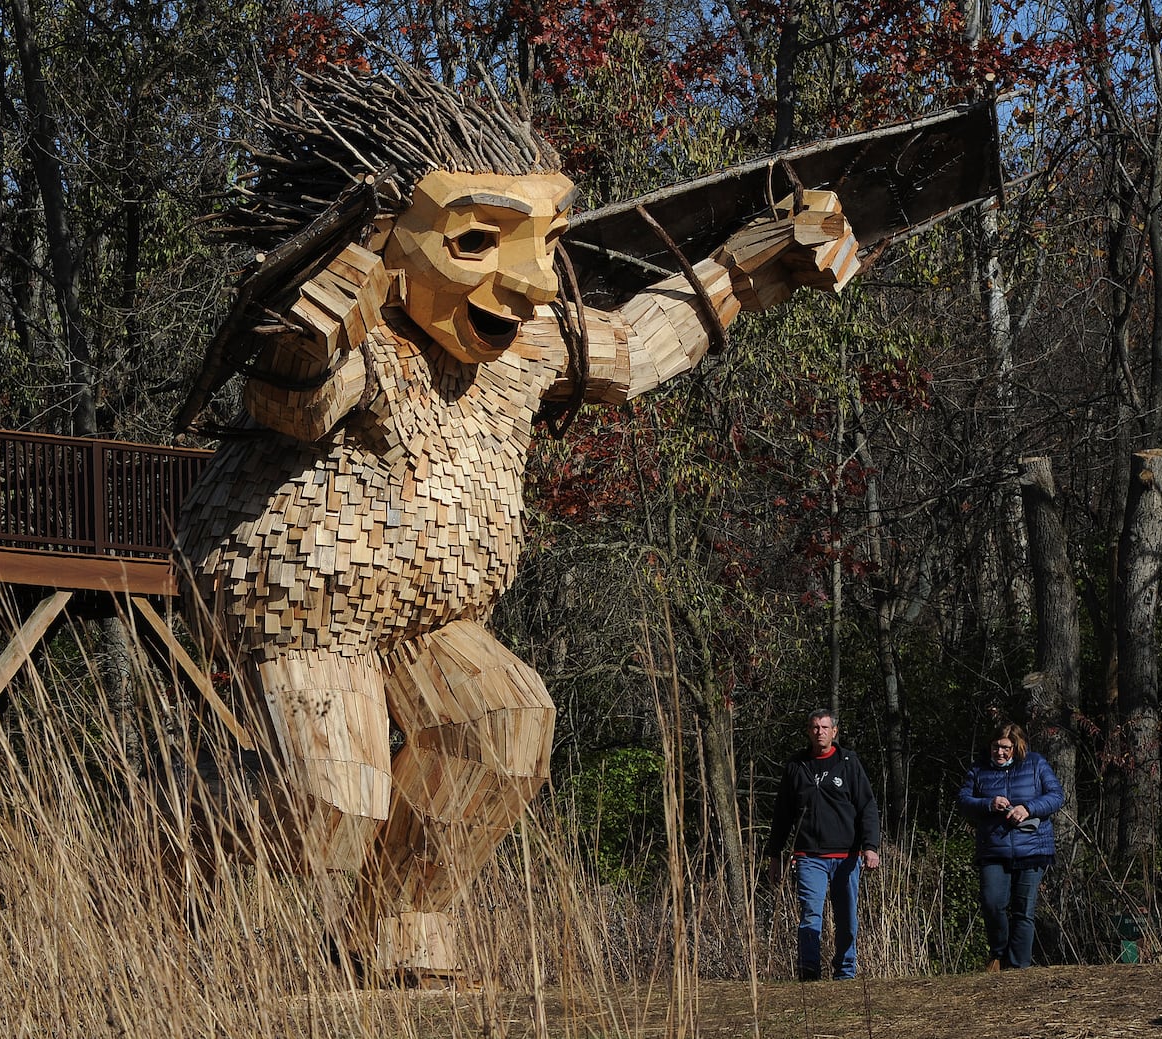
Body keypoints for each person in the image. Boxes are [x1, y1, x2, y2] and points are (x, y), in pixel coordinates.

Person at [176, 61, 861, 978]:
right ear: (381, 238)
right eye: (475, 241)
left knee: (501, 728)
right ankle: (177, 895)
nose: (531, 280)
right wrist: (314, 320)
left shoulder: (530, 348)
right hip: (314, 597)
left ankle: (393, 929)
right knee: (336, 796)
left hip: (430, 611)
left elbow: (641, 341)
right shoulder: (365, 344)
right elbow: (291, 400)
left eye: (545, 240)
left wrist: (761, 257)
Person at [766, 709, 882, 980]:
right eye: (814, 727)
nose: (819, 732)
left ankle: (845, 971)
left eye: (824, 727)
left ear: (834, 732)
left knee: (847, 920)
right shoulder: (797, 765)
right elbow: (782, 814)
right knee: (810, 914)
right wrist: (775, 855)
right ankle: (809, 971)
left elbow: (867, 806)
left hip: (846, 855)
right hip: (809, 855)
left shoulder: (849, 762)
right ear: (809, 731)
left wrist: (870, 846)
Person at [957, 721, 1063, 971]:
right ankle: (999, 954)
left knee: (1023, 910)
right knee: (992, 902)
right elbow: (963, 801)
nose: (1000, 752)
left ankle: (1018, 968)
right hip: (993, 848)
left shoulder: (1036, 764)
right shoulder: (979, 769)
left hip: (1033, 848)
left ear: (1017, 746)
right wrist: (988, 804)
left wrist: (1028, 808)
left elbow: (1057, 796)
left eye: (1005, 747)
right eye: (996, 747)